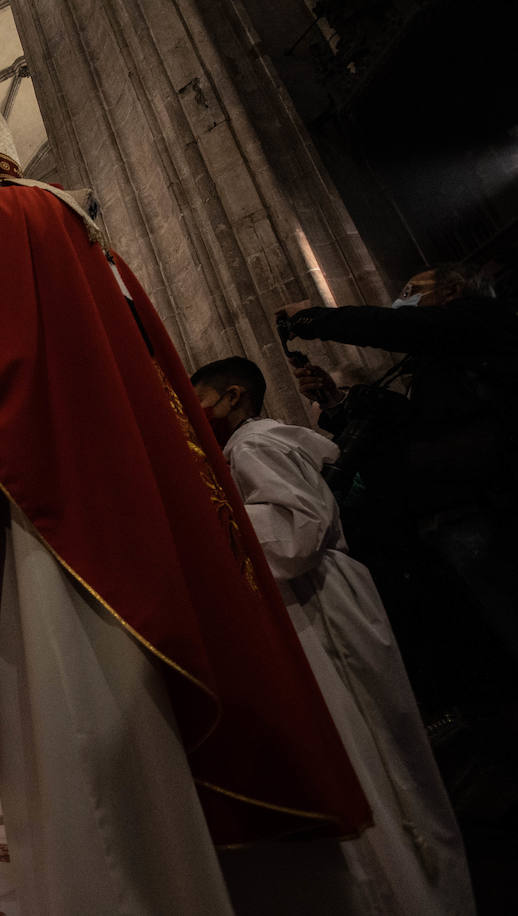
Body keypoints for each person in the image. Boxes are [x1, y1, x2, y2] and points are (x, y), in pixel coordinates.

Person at [0, 109, 369, 914]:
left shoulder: (3, 213)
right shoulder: (90, 241)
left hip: (56, 511)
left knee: (85, 739)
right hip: (115, 485)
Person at [193, 356, 474, 913]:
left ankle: (412, 892)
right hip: (328, 596)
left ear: (232, 396)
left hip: (323, 601)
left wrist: (201, 522)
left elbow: (295, 531)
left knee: (371, 751)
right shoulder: (254, 444)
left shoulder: (252, 446)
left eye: (197, 397)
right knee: (381, 752)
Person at [280, 267, 518, 721]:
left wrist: (315, 319)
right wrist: (336, 403)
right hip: (454, 509)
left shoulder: (477, 320)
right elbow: (407, 426)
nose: (401, 301)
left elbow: (399, 327)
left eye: (412, 293)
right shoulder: (437, 360)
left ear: (451, 290)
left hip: (491, 501)